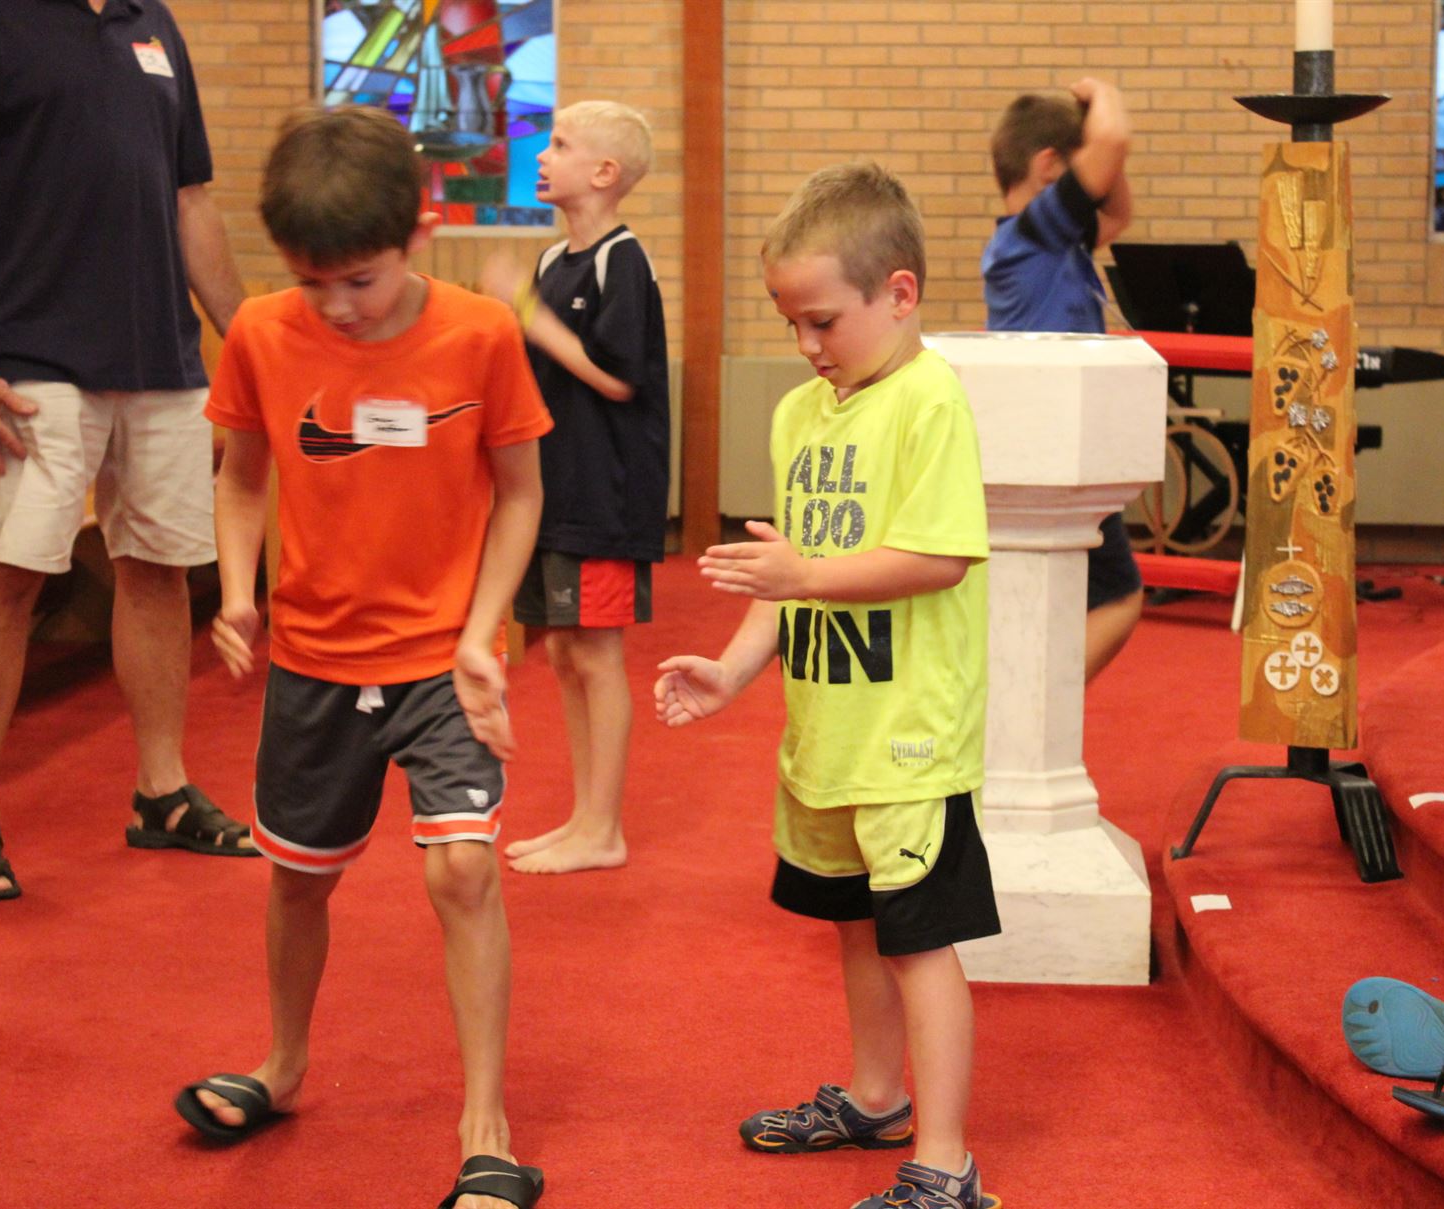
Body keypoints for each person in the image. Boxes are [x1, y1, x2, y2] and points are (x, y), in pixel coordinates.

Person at [174, 107, 552, 1209]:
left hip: (441, 658)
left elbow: (520, 495)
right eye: (313, 281)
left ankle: (485, 1122)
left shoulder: (481, 333)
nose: (338, 305)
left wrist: (481, 631)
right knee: (298, 876)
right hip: (313, 659)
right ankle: (283, 1065)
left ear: (418, 232)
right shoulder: (260, 332)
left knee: (462, 869)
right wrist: (235, 592)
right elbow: (243, 476)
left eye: (361, 280)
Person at [655, 163, 1003, 1209]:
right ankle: (876, 1096)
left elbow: (938, 557)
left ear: (898, 294)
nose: (806, 344)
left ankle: (944, 1163)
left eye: (822, 321)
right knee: (855, 924)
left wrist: (800, 574)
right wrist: (731, 668)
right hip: (827, 732)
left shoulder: (929, 401)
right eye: (790, 323)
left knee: (917, 943)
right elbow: (790, 573)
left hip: (907, 736)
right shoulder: (802, 414)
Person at [0, 0, 251, 900]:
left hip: (162, 355)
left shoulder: (149, 19)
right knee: (7, 576)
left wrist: (252, 349)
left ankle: (162, 789)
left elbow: (190, 201)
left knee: (160, 569)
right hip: (27, 355)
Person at [479, 101, 669, 876]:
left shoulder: (622, 259)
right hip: (554, 487)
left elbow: (618, 376)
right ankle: (585, 816)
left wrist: (524, 310)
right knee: (562, 651)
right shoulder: (556, 259)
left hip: (606, 491)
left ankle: (604, 827)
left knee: (595, 653)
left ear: (604, 173)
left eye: (558, 144)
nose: (541, 154)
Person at [983, 78, 1139, 682]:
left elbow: (1118, 212)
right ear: (1050, 167)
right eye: (1082, 166)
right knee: (1117, 597)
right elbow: (1113, 137)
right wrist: (1101, 94)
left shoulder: (1051, 241)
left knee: (1064, 597)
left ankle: (1026, 704)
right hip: (1047, 446)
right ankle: (1031, 708)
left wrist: (1102, 159)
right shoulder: (1035, 234)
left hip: (1059, 447)